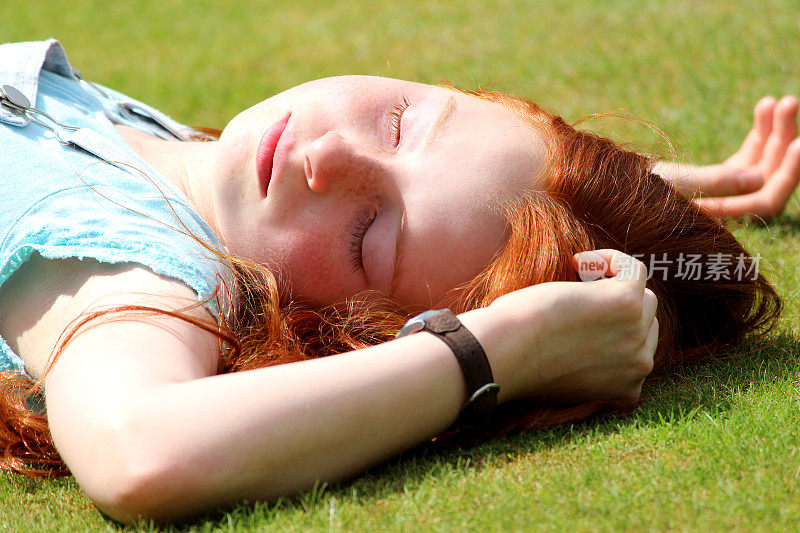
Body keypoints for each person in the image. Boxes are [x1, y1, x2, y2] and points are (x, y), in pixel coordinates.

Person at [0, 39, 785, 524]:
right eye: (402, 121)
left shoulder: (127, 267)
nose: (328, 159)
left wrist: (497, 351)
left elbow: (138, 450)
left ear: (343, 333)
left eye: (365, 237)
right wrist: (655, 188)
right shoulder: (187, 174)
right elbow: (475, 180)